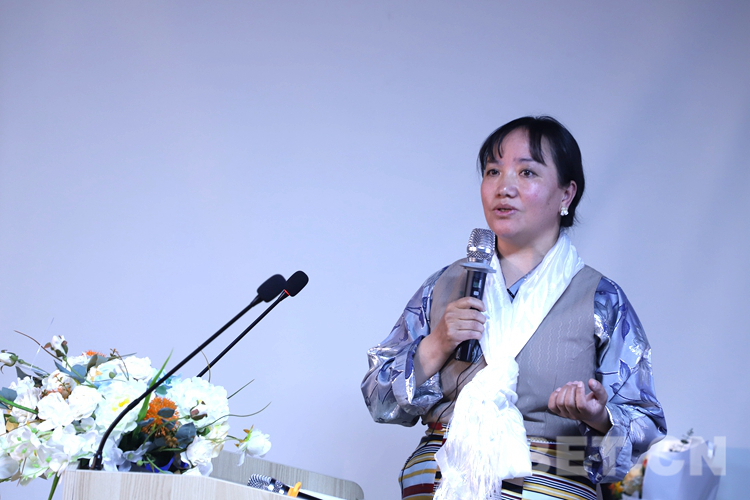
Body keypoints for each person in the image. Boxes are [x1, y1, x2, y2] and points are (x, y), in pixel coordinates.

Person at [361, 116, 666, 500]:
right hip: (436, 485)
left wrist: (599, 417)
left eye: (526, 172)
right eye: (493, 171)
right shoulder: (444, 285)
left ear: (566, 195)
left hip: (550, 484)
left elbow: (645, 427)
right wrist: (436, 345)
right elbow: (380, 401)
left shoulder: (600, 299)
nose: (503, 187)